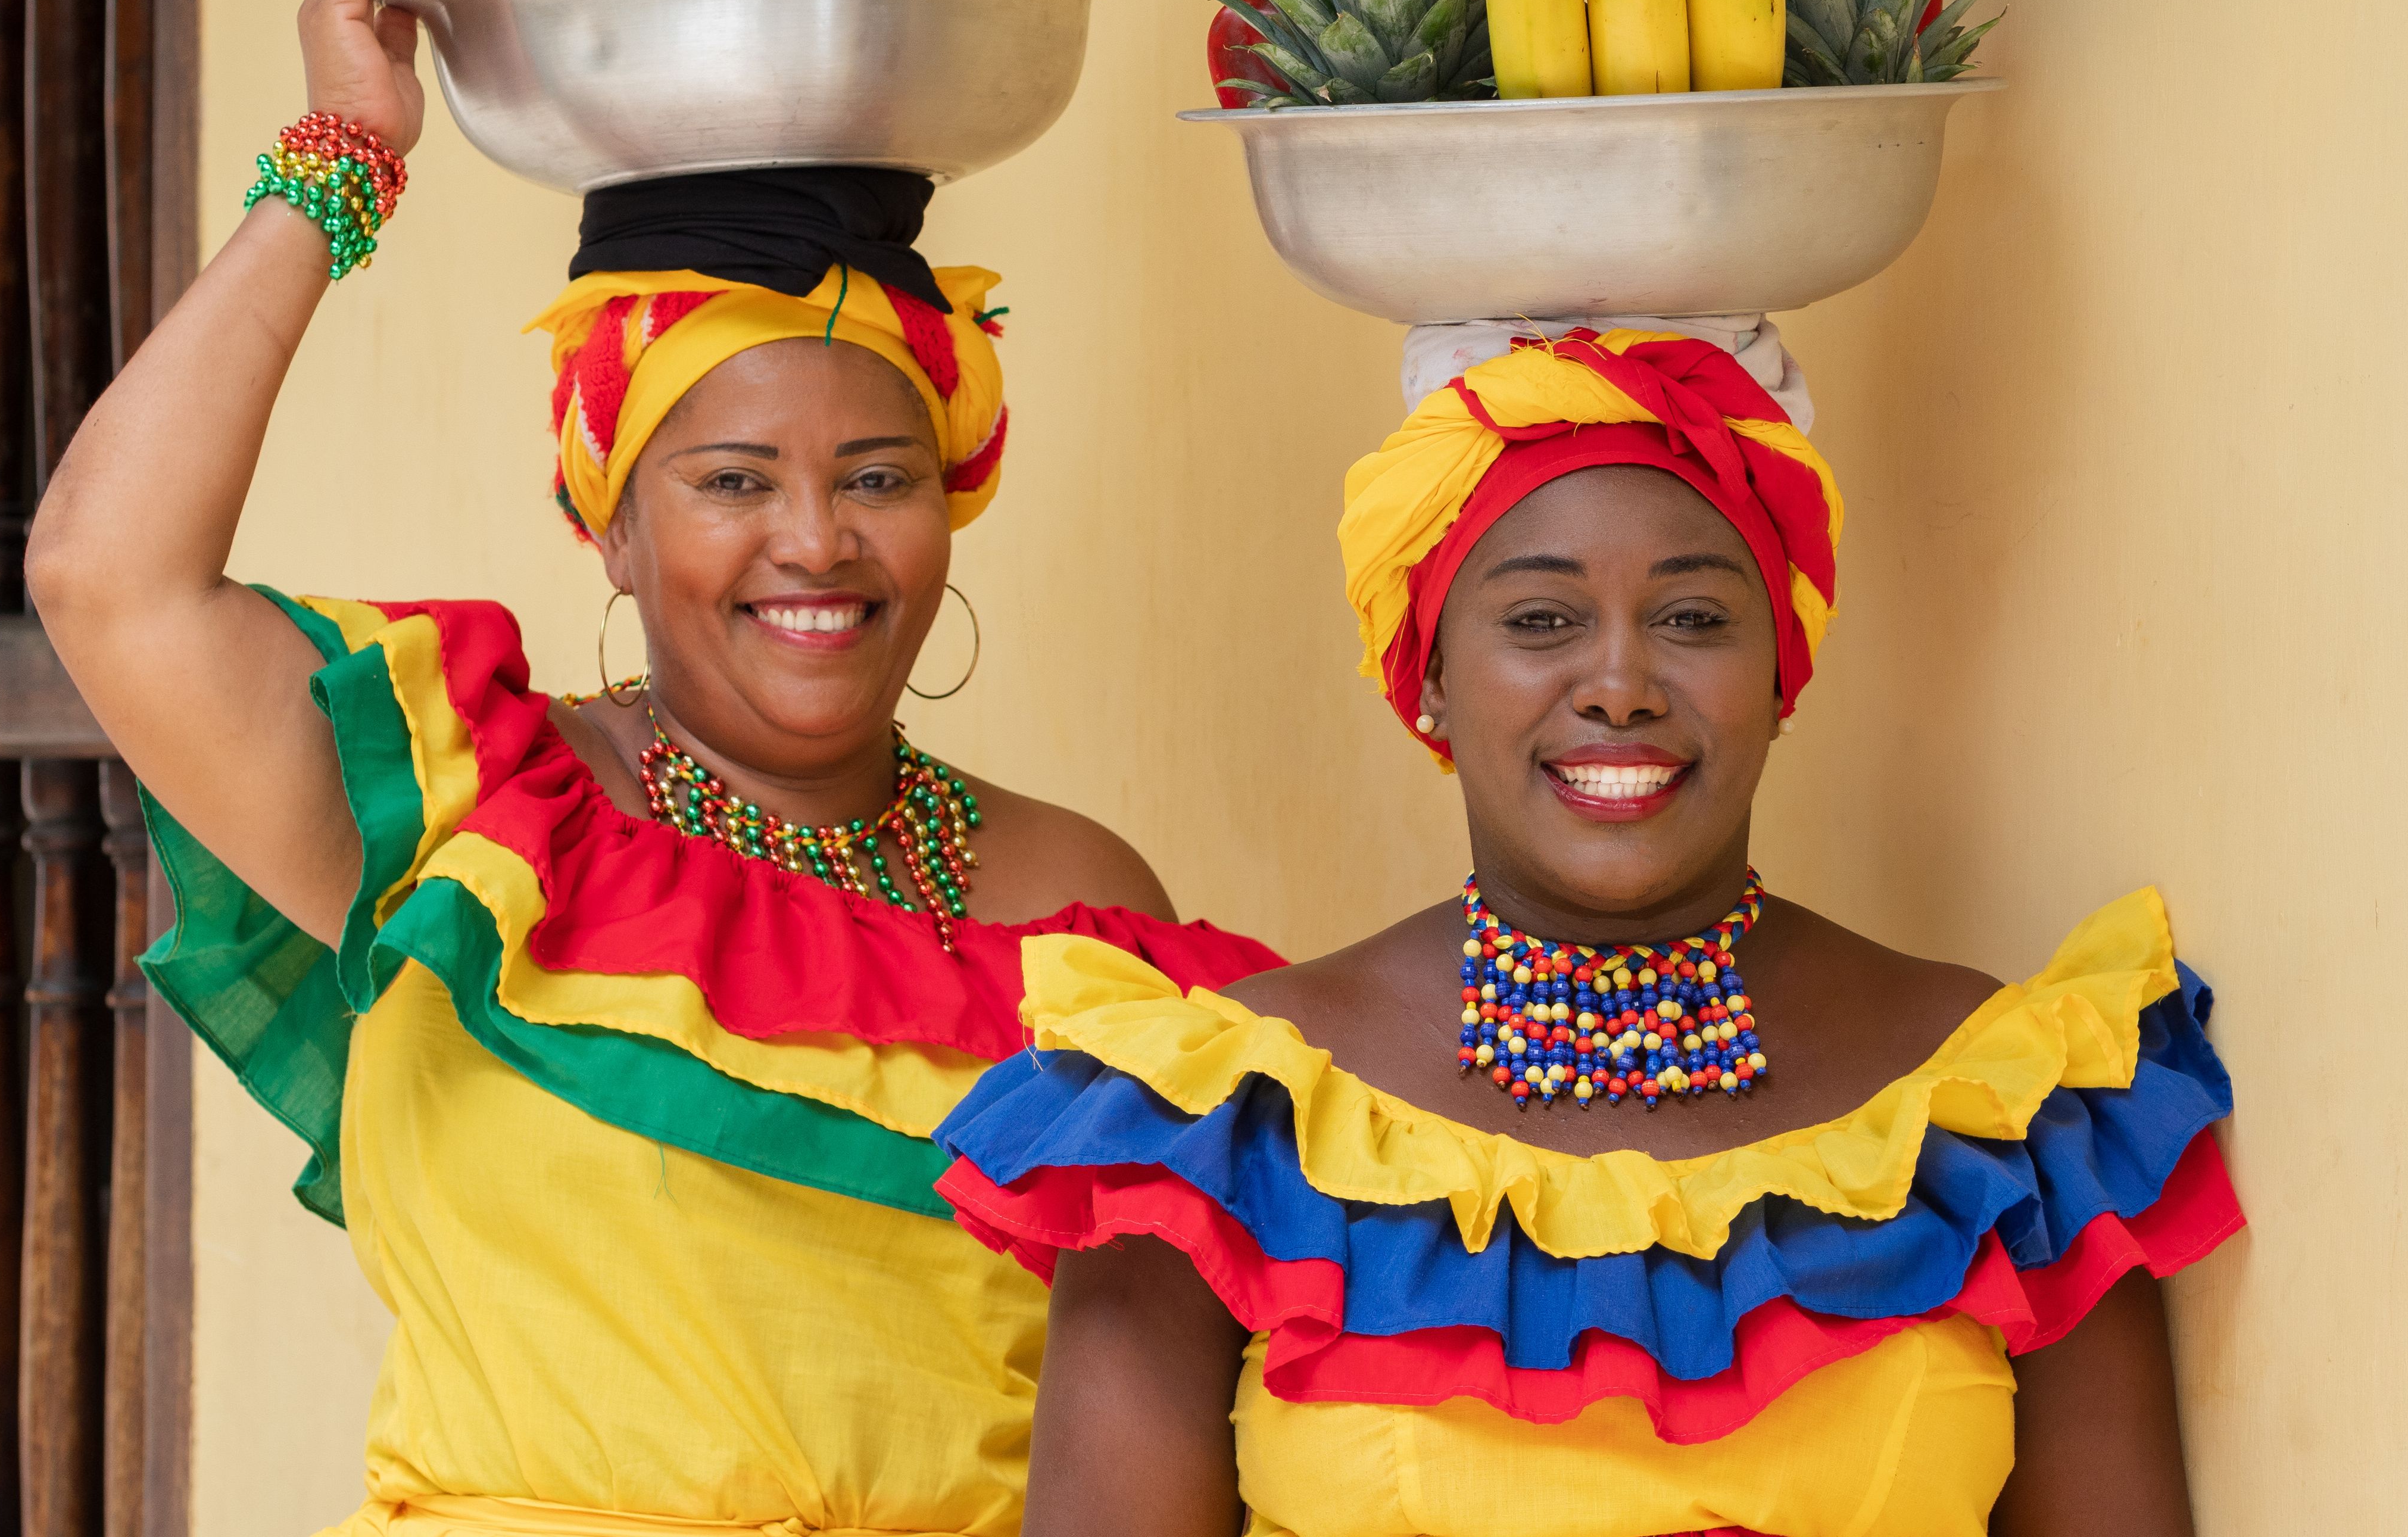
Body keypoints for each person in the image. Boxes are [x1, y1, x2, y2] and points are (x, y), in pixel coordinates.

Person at [27, 0, 1279, 1537]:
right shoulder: (463, 821)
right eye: (731, 481)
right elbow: (102, 577)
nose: (815, 542)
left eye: (880, 478)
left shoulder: (1079, 895)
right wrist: (343, 157)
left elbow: (1168, 1404)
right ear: (609, 525)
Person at [934, 324, 2243, 1537]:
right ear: (1431, 674)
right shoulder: (1216, 1117)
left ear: (1780, 672)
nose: (1618, 683)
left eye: (1692, 617)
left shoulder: (2012, 1107)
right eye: (1541, 618)